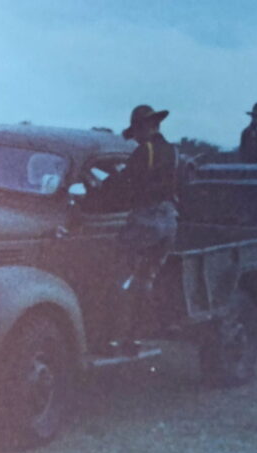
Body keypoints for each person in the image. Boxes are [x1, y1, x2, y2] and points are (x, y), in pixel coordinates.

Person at [103, 104, 179, 355]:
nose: (134, 137)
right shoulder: (172, 151)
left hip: (147, 219)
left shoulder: (143, 151)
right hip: (169, 220)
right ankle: (135, 337)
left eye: (136, 131)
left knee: (119, 273)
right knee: (146, 280)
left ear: (145, 127)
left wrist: (102, 187)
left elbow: (124, 183)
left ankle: (113, 336)